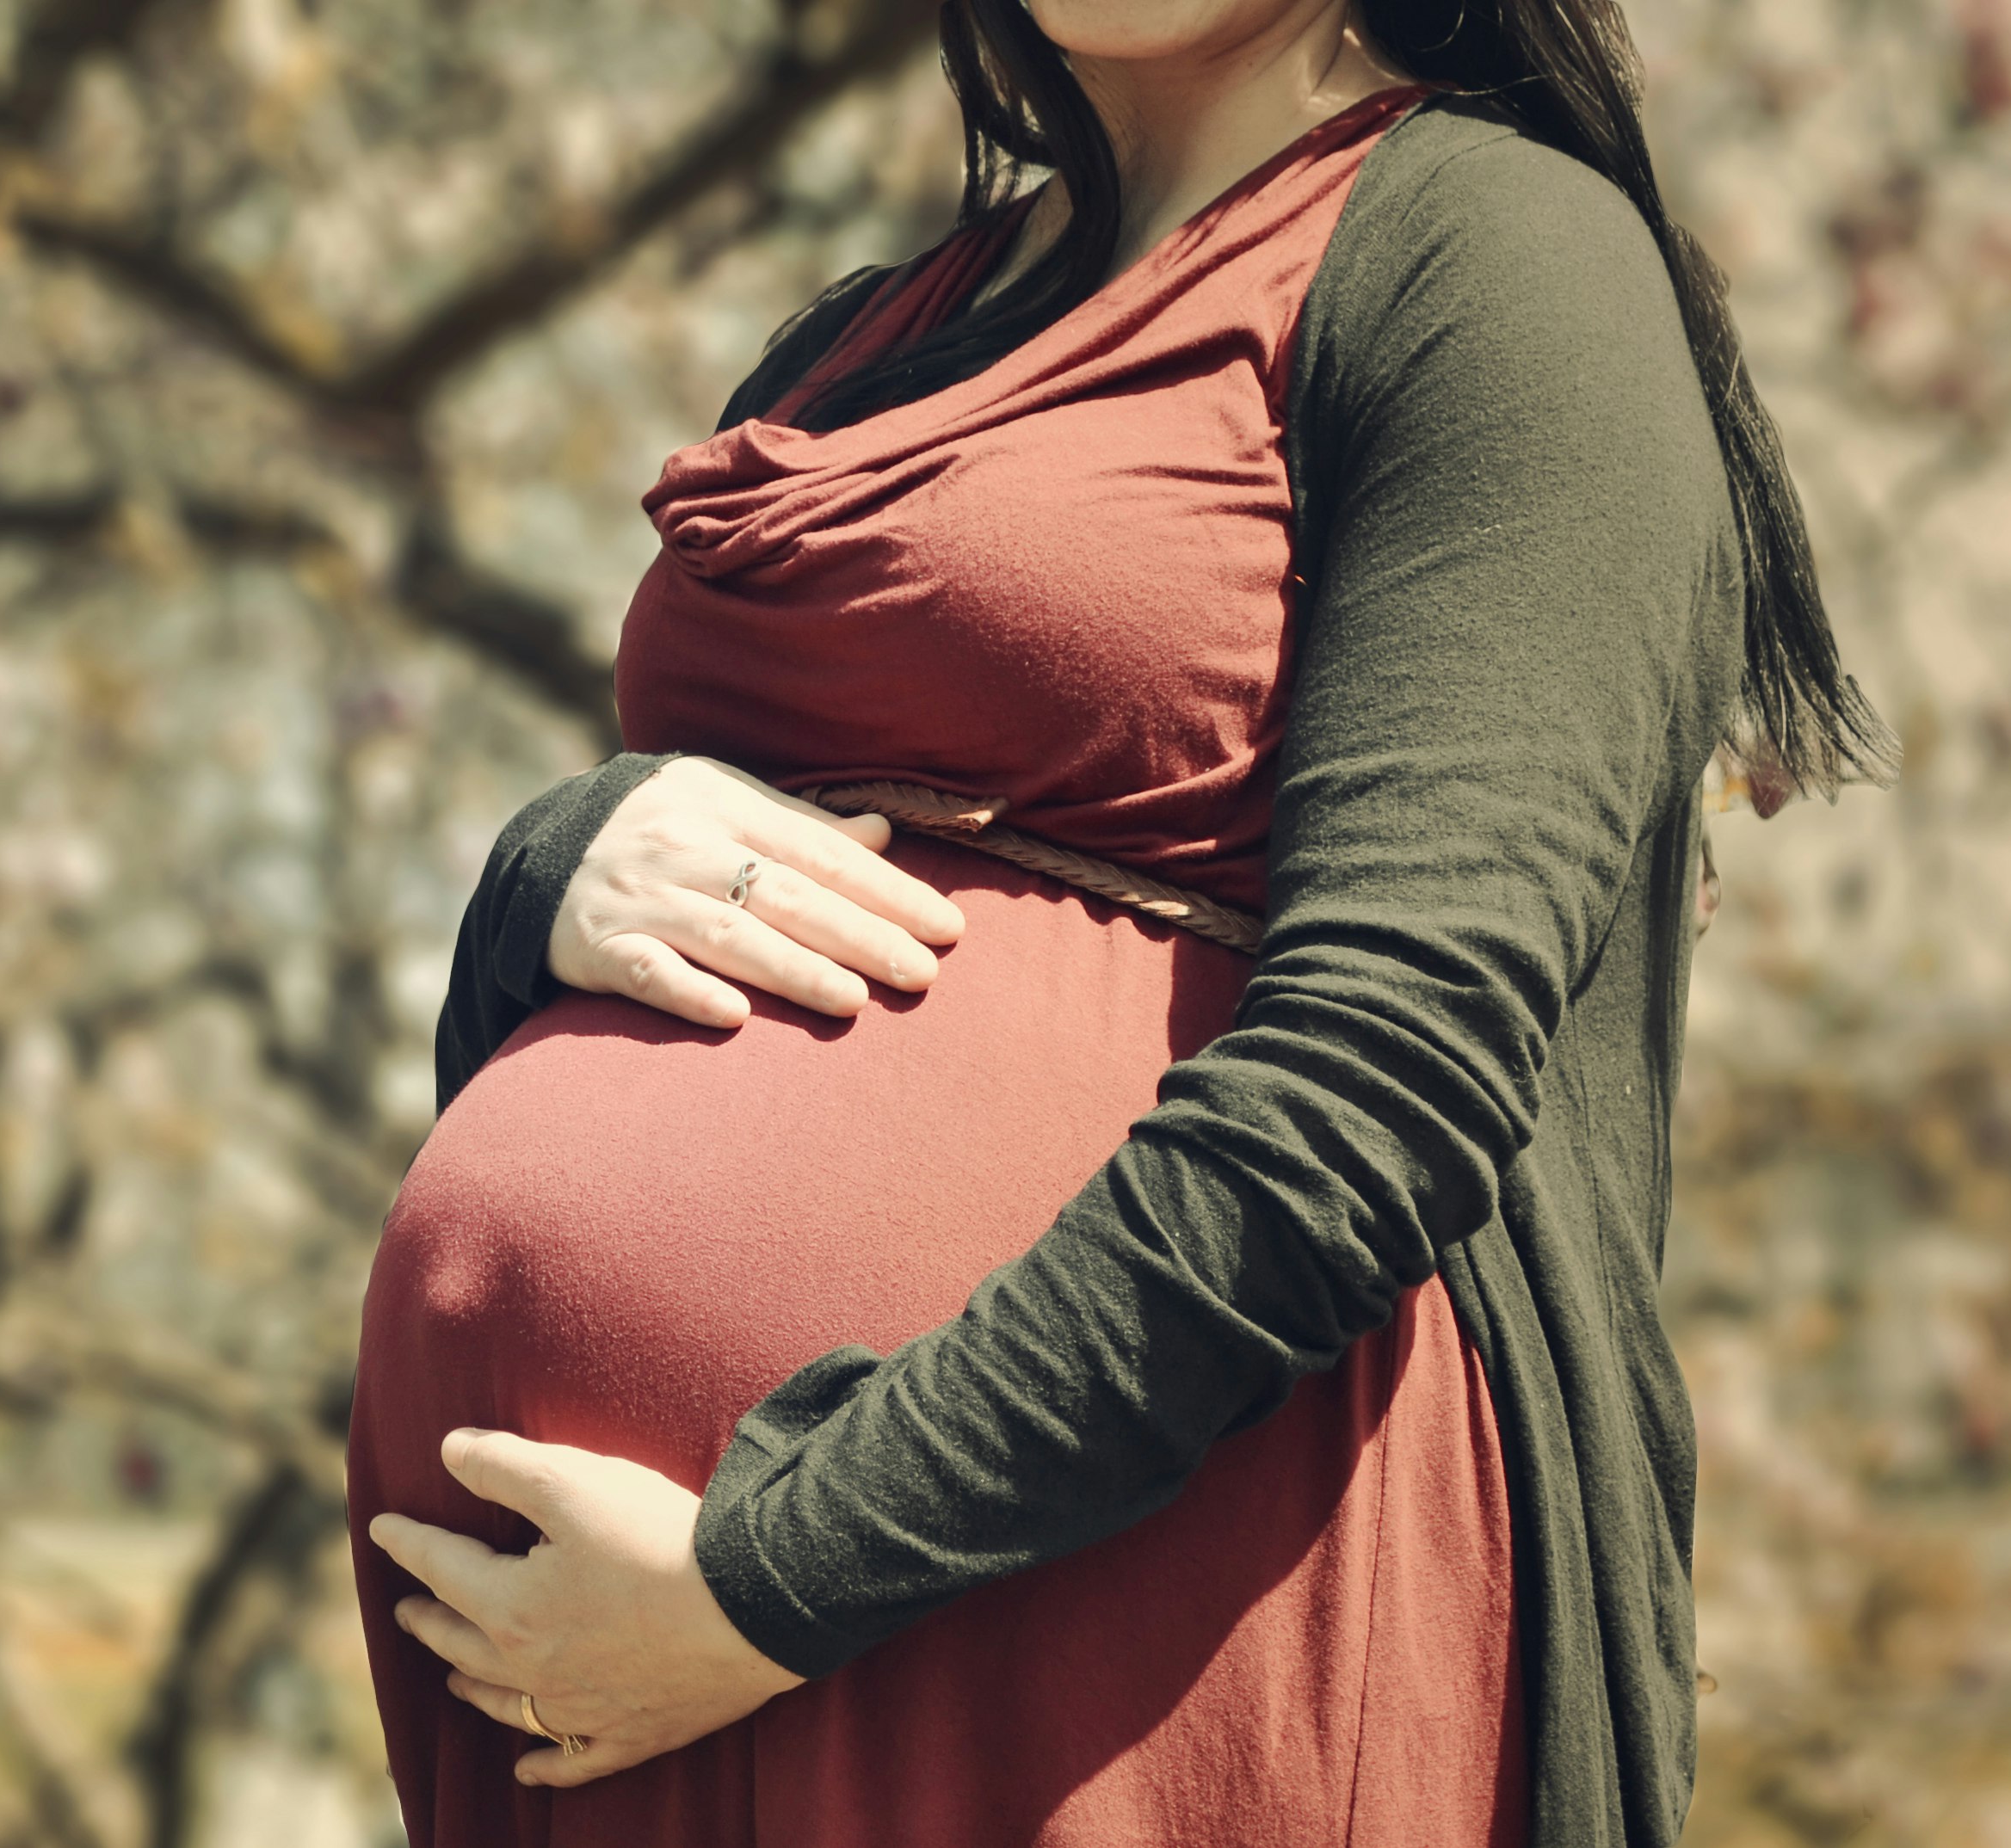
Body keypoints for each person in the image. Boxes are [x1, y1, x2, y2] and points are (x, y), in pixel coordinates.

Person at [347, 0, 1891, 1843]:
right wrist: (554, 866)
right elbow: (719, 879)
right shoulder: (872, 338)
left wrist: (779, 1578)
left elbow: (1386, 1081)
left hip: (1086, 1608)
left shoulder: (1498, 261)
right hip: (632, 1662)